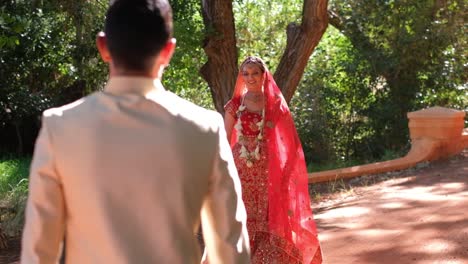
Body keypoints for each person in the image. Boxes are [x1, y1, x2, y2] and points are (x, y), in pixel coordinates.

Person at [20, 0, 250, 263]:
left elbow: (38, 249)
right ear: (168, 50)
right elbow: (230, 245)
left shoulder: (61, 127)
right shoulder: (205, 128)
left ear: (103, 46)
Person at [223, 56, 322, 263]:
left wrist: (285, 172)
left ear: (263, 75)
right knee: (242, 215)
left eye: (254, 73)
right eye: (246, 74)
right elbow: (224, 139)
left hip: (269, 171)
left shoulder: (275, 103)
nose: (250, 78)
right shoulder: (234, 105)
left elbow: (289, 141)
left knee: (270, 218)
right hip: (241, 171)